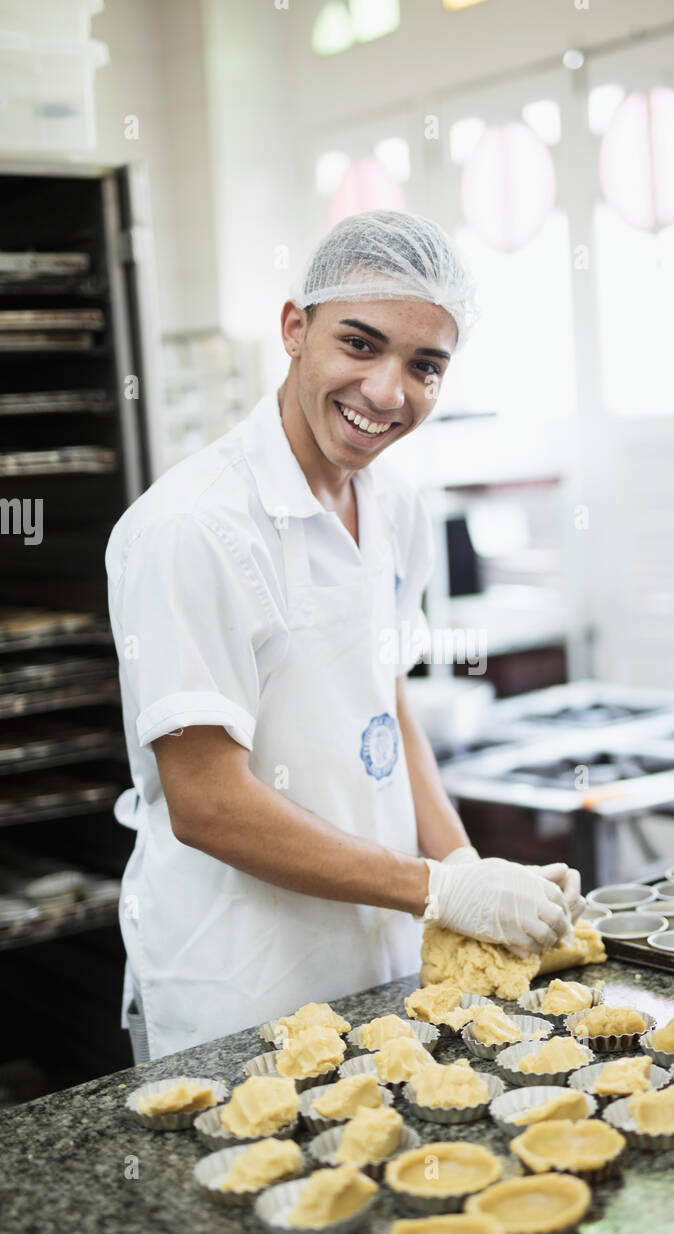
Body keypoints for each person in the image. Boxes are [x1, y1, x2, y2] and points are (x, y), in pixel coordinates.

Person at [105, 209, 582, 1062]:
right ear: (295, 328)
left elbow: (386, 708)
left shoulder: (397, 507)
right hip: (242, 988)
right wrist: (441, 888)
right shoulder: (193, 527)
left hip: (387, 960)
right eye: (360, 345)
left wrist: (471, 870)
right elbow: (206, 803)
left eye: (424, 365)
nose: (388, 392)